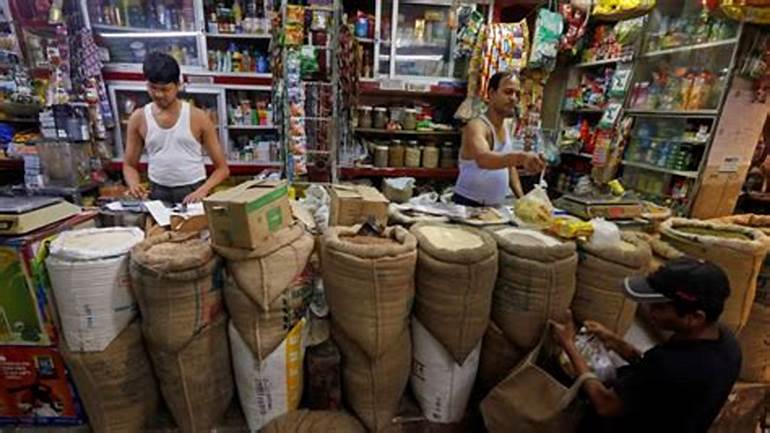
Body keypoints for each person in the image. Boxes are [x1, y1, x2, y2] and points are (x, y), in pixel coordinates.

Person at [554, 257, 742, 433]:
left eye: (660, 307)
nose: (651, 311)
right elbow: (657, 379)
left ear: (695, 317)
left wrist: (569, 345)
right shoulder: (727, 344)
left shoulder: (672, 364)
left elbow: (605, 404)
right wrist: (615, 342)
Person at [123, 52, 229, 204]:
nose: (159, 94)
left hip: (193, 190)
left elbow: (222, 169)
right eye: (153, 88)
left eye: (165, 89)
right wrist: (134, 185)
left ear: (178, 85)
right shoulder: (138, 118)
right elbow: (129, 165)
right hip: (157, 190)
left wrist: (203, 190)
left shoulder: (198, 117)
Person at [453, 71, 546, 207]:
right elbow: (484, 159)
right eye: (508, 92)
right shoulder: (476, 126)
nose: (513, 98)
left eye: (517, 94)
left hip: (494, 207)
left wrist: (521, 199)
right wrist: (521, 157)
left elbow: (509, 167)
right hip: (468, 205)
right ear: (492, 93)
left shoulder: (506, 127)